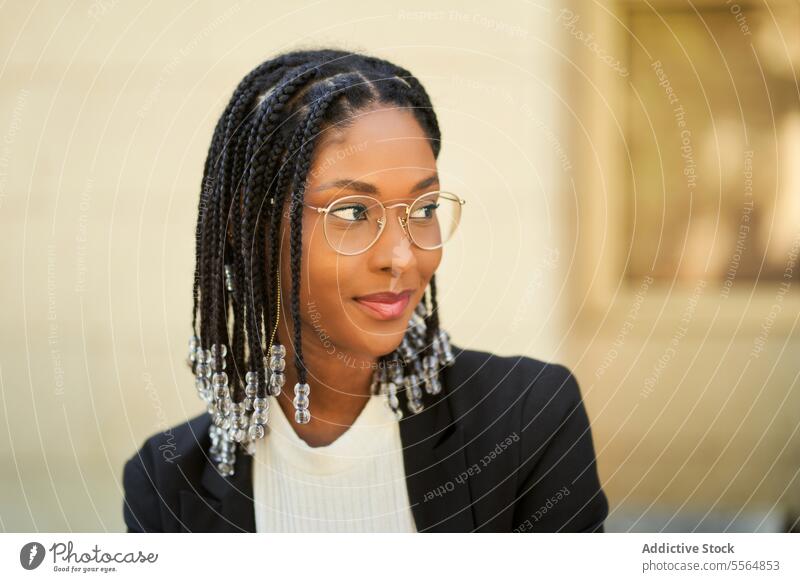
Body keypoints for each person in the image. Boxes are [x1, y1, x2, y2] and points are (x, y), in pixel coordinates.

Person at [122, 48, 609, 533]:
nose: (401, 256)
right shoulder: (167, 485)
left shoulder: (530, 419)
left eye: (423, 207)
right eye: (354, 212)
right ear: (248, 229)